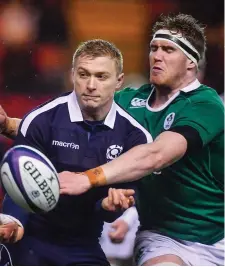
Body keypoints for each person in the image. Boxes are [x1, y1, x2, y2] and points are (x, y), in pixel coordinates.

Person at [1, 13, 224, 266]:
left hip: (218, 235)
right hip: (162, 237)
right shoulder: (129, 100)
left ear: (192, 62)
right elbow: (64, 130)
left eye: (168, 50)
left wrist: (87, 178)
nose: (157, 56)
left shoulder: (206, 104)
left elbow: (156, 155)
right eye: (154, 48)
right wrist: (8, 125)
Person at [0, 39, 152, 266]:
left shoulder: (135, 137)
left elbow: (121, 201)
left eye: (101, 76)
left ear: (119, 81)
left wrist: (109, 207)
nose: (91, 85)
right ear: (72, 75)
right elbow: (17, 179)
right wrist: (14, 222)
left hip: (84, 243)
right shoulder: (42, 118)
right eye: (83, 74)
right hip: (31, 237)